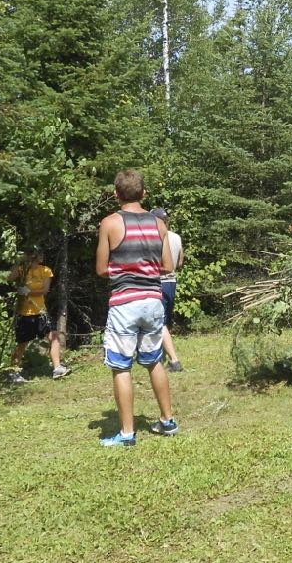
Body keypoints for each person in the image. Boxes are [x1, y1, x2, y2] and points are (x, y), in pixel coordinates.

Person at [95, 169, 178, 447]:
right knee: (154, 361)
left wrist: (124, 270)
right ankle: (167, 421)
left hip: (124, 302)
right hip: (153, 300)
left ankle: (127, 434)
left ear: (116, 194)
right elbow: (167, 266)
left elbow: (100, 269)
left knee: (121, 367)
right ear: (144, 194)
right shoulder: (159, 225)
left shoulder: (109, 223)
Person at [7, 247, 71, 382]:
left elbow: (45, 290)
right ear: (33, 255)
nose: (42, 255)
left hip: (41, 311)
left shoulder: (45, 270)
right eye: (39, 253)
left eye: (42, 252)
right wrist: (20, 262)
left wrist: (28, 292)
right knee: (22, 343)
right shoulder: (22, 270)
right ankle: (13, 373)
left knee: (54, 336)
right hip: (24, 312)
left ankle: (57, 368)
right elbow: (9, 277)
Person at [150, 207, 184, 372]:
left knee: (160, 323)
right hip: (171, 282)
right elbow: (179, 263)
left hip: (158, 283)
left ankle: (174, 361)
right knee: (162, 322)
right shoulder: (176, 237)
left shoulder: (155, 238)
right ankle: (156, 353)